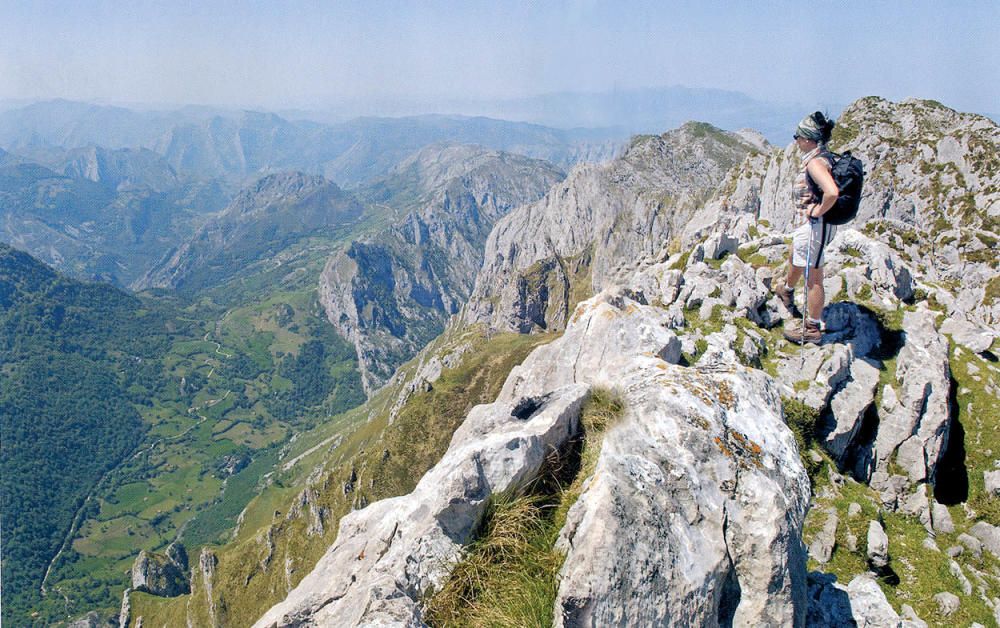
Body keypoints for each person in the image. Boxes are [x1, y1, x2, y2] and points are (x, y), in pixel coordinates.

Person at [774, 111, 839, 345]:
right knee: (795, 254)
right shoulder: (823, 157)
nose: (796, 140)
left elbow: (832, 192)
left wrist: (818, 211)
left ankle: (812, 327)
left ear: (809, 139)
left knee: (814, 278)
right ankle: (787, 289)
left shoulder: (815, 163)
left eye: (798, 136)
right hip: (810, 227)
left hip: (815, 227)